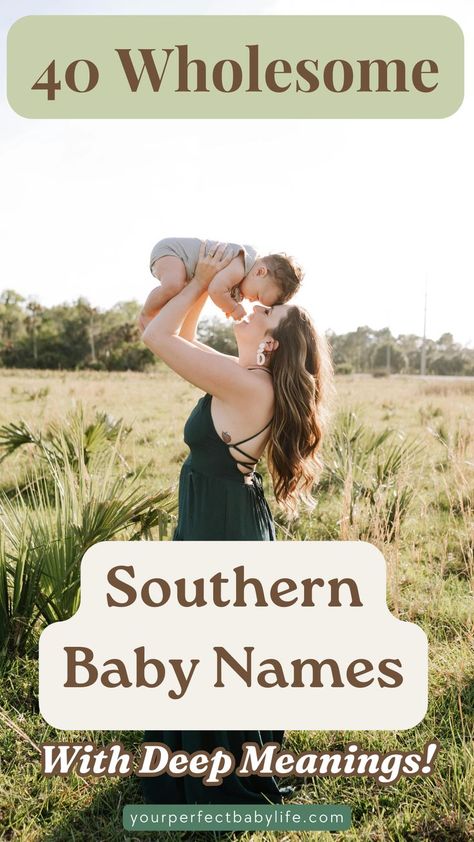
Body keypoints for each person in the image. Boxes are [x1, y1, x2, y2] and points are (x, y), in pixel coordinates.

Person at [138, 242, 332, 804]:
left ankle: (209, 770)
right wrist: (195, 286)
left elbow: (157, 337)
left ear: (269, 340)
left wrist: (198, 282)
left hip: (219, 524)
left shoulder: (248, 385)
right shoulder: (244, 375)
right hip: (228, 516)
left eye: (266, 311)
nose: (252, 305)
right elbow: (179, 339)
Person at [145, 236, 302, 320]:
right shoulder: (242, 264)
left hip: (183, 265)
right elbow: (216, 289)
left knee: (180, 293)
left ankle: (157, 317)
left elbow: (218, 290)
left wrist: (227, 303)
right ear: (260, 272)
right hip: (172, 252)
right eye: (258, 296)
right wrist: (232, 308)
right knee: (173, 286)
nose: (253, 300)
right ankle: (147, 313)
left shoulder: (242, 277)